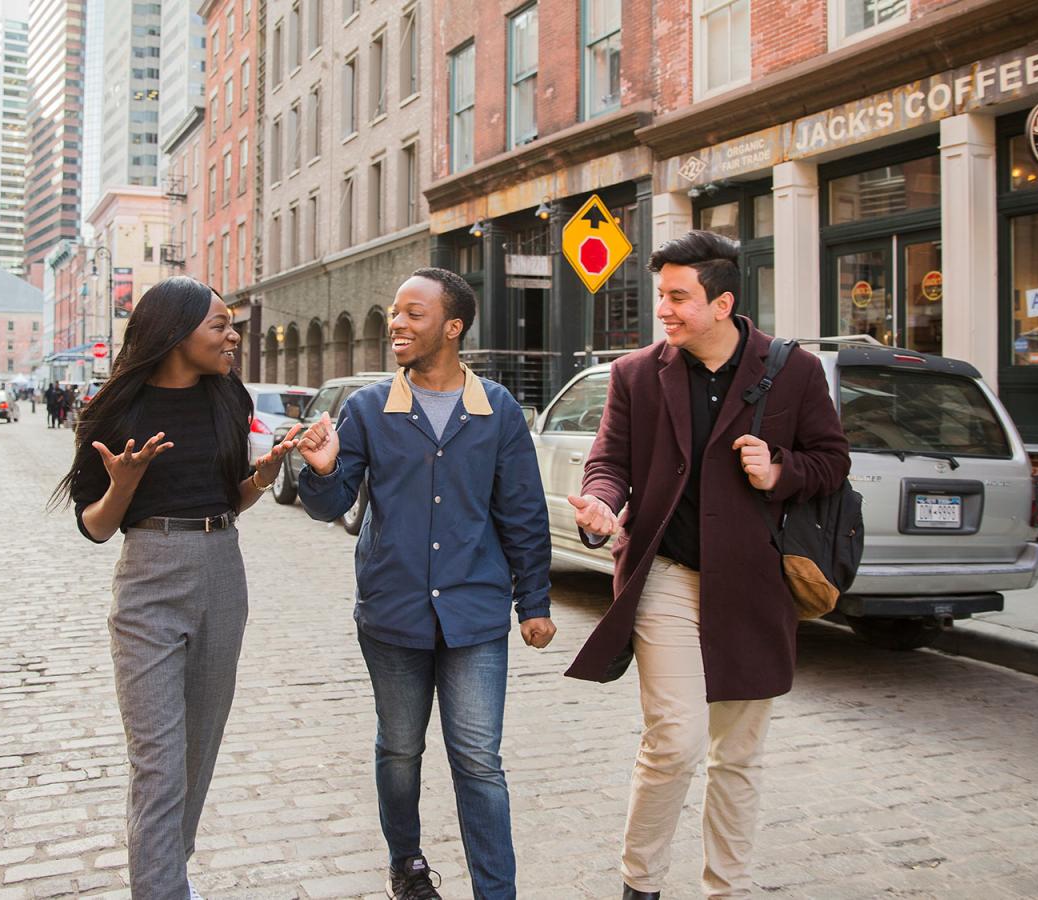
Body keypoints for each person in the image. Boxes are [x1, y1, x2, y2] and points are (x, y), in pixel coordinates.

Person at [563, 231, 850, 899]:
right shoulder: (637, 374)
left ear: (722, 303)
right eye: (660, 295)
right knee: (676, 740)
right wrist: (602, 505)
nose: (663, 309)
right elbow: (609, 462)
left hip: (755, 588)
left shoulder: (794, 370)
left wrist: (779, 469)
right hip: (666, 575)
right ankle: (642, 884)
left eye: (677, 297)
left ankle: (728, 888)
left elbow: (832, 462)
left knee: (738, 755)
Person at [294, 267, 555, 900]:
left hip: (475, 614)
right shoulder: (367, 409)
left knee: (479, 763)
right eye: (394, 313)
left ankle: (497, 891)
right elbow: (330, 508)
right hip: (393, 612)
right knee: (401, 750)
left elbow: (522, 511)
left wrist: (535, 602)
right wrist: (322, 471)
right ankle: (407, 865)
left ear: (453, 326)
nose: (397, 324)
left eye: (414, 314)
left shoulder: (498, 411)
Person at [51, 276, 303, 900]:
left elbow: (229, 500)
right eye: (219, 325)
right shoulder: (114, 411)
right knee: (159, 761)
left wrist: (261, 478)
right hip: (149, 580)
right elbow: (96, 526)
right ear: (175, 334)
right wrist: (125, 485)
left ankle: (168, 866)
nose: (233, 335)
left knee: (198, 749)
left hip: (223, 569)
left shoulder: (228, 398)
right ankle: (162, 887)